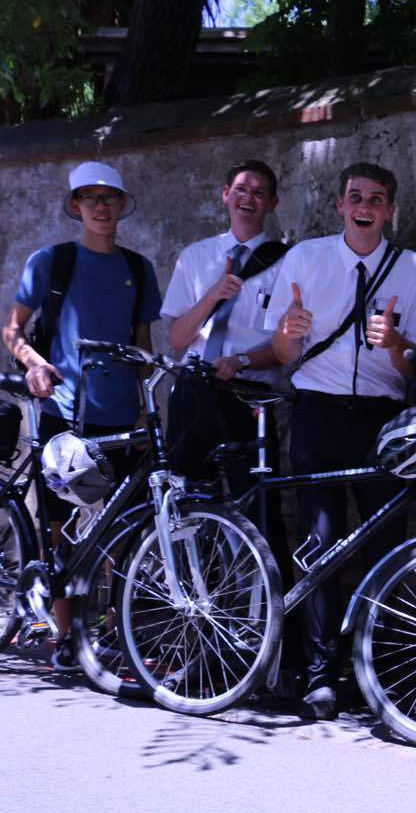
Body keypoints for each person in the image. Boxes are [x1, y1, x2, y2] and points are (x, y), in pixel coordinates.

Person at [267, 162, 416, 720]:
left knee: (385, 546)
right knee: (318, 544)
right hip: (316, 411)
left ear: (390, 210)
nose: (364, 207)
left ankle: (381, 671)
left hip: (380, 420)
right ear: (340, 205)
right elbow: (284, 355)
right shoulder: (305, 259)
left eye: (376, 199)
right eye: (355, 197)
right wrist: (288, 333)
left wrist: (395, 343)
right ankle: (321, 675)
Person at [2, 161, 162, 670]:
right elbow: (12, 330)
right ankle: (66, 636)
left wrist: (147, 413)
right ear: (75, 206)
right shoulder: (52, 262)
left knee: (120, 529)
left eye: (109, 197)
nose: (100, 206)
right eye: (89, 198)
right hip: (65, 411)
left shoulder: (138, 269)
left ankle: (111, 633)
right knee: (58, 525)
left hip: (120, 418)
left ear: (121, 205)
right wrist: (34, 363)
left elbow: (142, 348)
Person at [160, 160, 295, 660]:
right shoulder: (197, 257)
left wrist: (241, 360)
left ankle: (267, 648)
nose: (248, 198)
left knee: (256, 518)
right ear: (224, 194)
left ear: (272, 203)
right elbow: (177, 339)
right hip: (193, 392)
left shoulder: (286, 262)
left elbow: (285, 349)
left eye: (259, 192)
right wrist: (213, 294)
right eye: (240, 189)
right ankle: (192, 642)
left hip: (247, 398)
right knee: (185, 516)